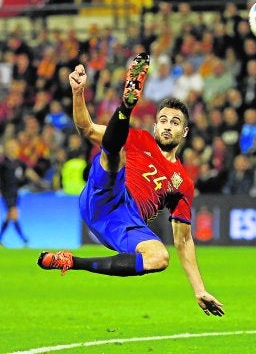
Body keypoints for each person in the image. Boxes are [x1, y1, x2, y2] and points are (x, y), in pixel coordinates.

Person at [37, 54, 224, 317]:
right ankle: (125, 107)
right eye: (163, 120)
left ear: (185, 132)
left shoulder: (184, 182)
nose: (168, 126)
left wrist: (199, 289)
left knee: (160, 257)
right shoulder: (138, 138)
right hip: (108, 195)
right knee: (116, 153)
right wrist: (78, 92)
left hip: (126, 223)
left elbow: (183, 241)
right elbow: (87, 129)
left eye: (175, 122)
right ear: (156, 125)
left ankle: (71, 261)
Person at [0, 138, 38, 246]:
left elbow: (29, 172)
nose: (12, 148)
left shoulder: (19, 163)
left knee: (10, 215)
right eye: (10, 147)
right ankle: (23, 238)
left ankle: (0, 238)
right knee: (14, 213)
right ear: (6, 149)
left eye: (14, 146)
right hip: (6, 193)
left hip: (15, 193)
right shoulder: (3, 163)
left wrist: (41, 182)